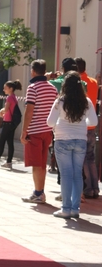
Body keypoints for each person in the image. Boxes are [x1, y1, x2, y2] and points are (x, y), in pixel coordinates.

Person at [47, 71, 98, 218]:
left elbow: (49, 122)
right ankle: (75, 208)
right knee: (77, 174)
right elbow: (93, 122)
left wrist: (59, 124)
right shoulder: (86, 102)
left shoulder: (60, 101)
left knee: (66, 175)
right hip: (80, 140)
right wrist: (82, 123)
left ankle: (66, 208)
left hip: (62, 139)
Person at [20, 59, 58, 203]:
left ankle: (38, 193)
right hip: (47, 130)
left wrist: (24, 131)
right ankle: (40, 192)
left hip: (34, 131)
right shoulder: (53, 89)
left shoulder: (33, 88)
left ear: (34, 71)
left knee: (36, 164)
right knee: (42, 164)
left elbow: (29, 111)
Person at [74, 58, 100, 199]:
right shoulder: (94, 82)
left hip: (82, 125)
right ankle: (95, 188)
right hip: (92, 123)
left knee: (84, 159)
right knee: (91, 158)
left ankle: (89, 188)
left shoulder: (79, 84)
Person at [0, 80, 22, 169]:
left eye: (5, 88)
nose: (3, 90)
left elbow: (5, 110)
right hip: (12, 123)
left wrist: (1, 111)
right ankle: (9, 162)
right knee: (10, 143)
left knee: (1, 142)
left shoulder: (9, 98)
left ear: (11, 88)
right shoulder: (14, 97)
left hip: (7, 122)